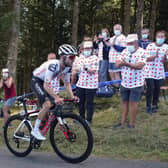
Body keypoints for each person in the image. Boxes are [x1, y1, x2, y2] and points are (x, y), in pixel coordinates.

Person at [30, 44, 79, 140]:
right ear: (62, 57)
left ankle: (43, 125)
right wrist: (56, 97)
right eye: (71, 57)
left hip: (44, 83)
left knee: (54, 104)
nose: (73, 60)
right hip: (36, 80)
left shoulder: (67, 67)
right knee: (47, 104)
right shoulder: (53, 65)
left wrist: (72, 96)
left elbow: (67, 83)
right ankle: (35, 130)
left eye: (75, 57)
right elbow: (46, 85)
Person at [115, 34, 146, 128]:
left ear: (136, 43)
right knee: (124, 102)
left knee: (133, 103)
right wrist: (124, 63)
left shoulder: (142, 52)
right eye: (127, 43)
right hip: (125, 82)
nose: (128, 45)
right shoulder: (125, 51)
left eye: (130, 43)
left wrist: (125, 63)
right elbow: (117, 64)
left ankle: (131, 124)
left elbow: (140, 66)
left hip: (136, 83)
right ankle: (122, 122)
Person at [75, 40, 99, 125]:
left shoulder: (95, 58)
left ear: (92, 49)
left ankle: (89, 120)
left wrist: (85, 68)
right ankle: (81, 118)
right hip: (81, 84)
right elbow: (76, 68)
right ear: (82, 49)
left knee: (89, 103)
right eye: (85, 48)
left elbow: (93, 70)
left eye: (89, 48)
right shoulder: (80, 57)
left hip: (91, 85)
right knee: (80, 102)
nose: (87, 50)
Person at [144, 30, 168, 113]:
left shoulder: (166, 47)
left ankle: (154, 105)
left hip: (159, 71)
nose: (160, 38)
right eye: (159, 36)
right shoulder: (150, 46)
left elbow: (165, 61)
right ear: (155, 37)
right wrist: (154, 56)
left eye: (162, 37)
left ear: (165, 38)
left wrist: (165, 57)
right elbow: (145, 59)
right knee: (150, 88)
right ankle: (148, 105)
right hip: (149, 71)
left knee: (157, 89)